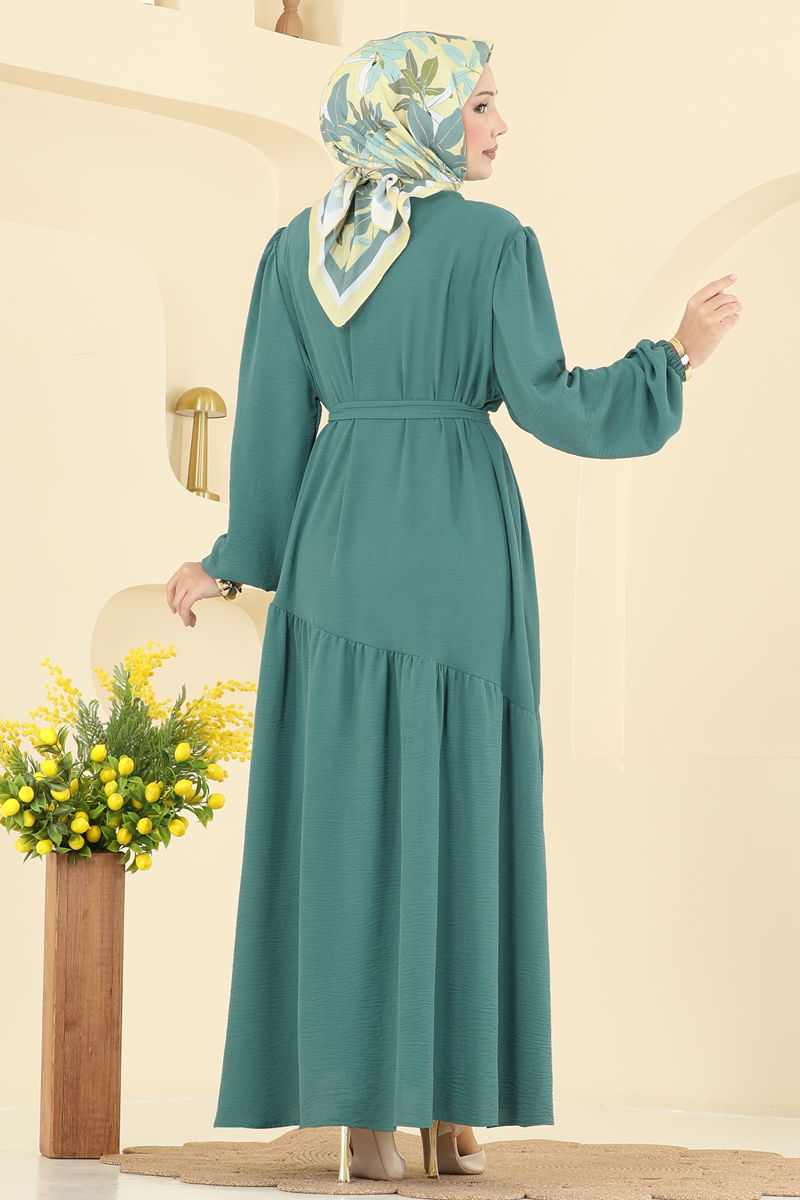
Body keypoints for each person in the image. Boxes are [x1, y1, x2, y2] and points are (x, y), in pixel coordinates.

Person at [165, 28, 741, 1185]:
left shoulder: (297, 248)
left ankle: (370, 1119)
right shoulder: (491, 242)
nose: (497, 124)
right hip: (457, 544)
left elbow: (269, 424)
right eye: (478, 105)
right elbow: (550, 401)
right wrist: (673, 356)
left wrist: (234, 560)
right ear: (419, 117)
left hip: (338, 545)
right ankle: (443, 1103)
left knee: (345, 818)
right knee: (455, 807)